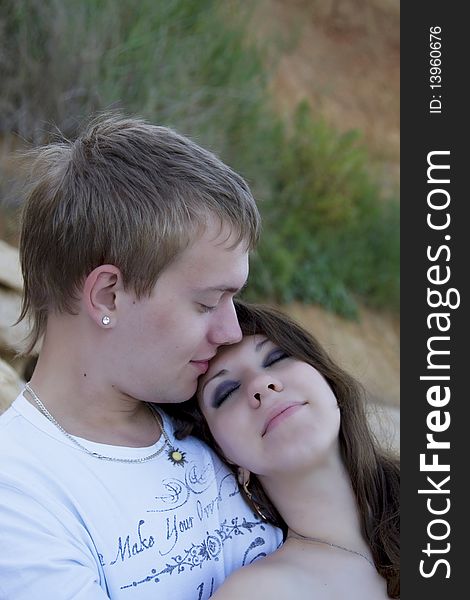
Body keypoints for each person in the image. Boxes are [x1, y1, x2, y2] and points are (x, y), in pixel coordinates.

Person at [0, 115, 282, 599]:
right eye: (206, 302)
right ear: (108, 294)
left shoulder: (221, 408)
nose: (232, 330)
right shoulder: (18, 491)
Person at [168, 300, 400, 599]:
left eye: (277, 357)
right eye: (226, 392)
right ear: (225, 453)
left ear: (326, 379)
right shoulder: (258, 593)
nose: (261, 384)